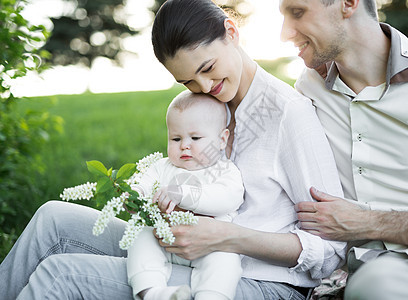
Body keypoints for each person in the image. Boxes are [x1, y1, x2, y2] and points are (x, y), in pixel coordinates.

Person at [0, 0, 346, 299]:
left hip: (258, 281)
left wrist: (228, 237)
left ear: (231, 32)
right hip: (182, 254)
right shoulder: (205, 109)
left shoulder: (289, 114)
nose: (206, 87)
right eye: (188, 81)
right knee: (52, 220)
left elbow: (332, 253)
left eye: (207, 68)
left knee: (62, 274)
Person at [279, 0, 408, 298]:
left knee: (381, 282)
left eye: (297, 12)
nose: (285, 33)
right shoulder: (309, 89)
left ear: (348, 4)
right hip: (350, 276)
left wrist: (367, 223)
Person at [128, 90, 244, 300]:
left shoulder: (225, 170)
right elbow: (141, 184)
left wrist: (185, 194)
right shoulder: (161, 167)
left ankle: (211, 296)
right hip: (164, 239)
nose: (184, 145)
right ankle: (151, 292)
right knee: (140, 235)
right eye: (175, 138)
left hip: (210, 246)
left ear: (221, 139)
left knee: (226, 261)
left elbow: (229, 198)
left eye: (196, 137)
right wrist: (133, 195)